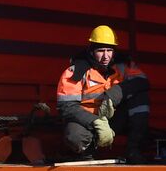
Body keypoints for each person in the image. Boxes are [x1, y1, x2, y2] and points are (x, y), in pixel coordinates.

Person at [57, 25, 150, 163]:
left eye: (109, 50)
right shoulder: (76, 70)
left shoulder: (123, 65)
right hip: (87, 121)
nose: (106, 56)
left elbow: (142, 82)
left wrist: (115, 93)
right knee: (74, 135)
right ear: (91, 50)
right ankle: (87, 155)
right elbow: (66, 107)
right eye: (100, 50)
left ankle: (133, 150)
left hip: (115, 119)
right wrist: (95, 121)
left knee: (140, 97)